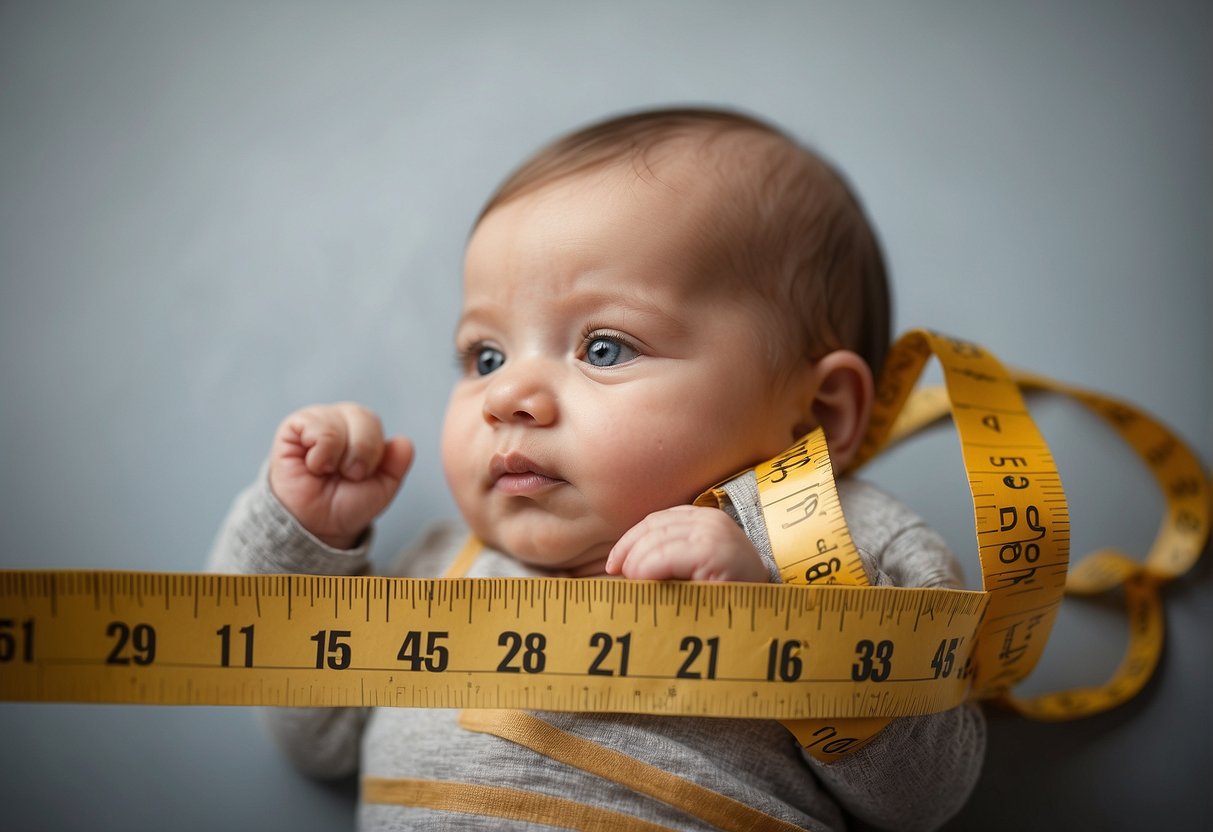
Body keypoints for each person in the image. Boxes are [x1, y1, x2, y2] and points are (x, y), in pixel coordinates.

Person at [209, 107, 985, 831]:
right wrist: (300, 536)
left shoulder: (845, 552)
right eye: (484, 355)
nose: (506, 394)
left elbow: (923, 796)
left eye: (603, 347)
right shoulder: (437, 570)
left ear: (816, 413)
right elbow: (313, 738)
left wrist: (778, 626)